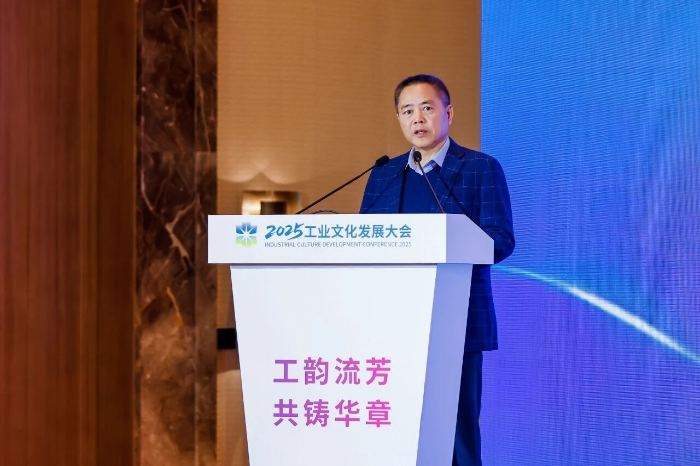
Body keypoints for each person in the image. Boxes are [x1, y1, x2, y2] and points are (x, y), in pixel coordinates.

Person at [360, 74, 515, 466]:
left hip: (457, 321)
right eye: (407, 111)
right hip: (394, 323)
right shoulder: (384, 174)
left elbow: (501, 239)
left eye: (427, 108)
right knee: (399, 431)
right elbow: (364, 242)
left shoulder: (481, 168)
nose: (417, 118)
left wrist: (449, 244)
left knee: (457, 435)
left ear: (448, 113)